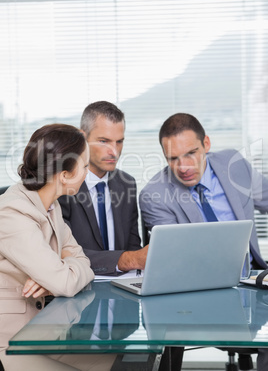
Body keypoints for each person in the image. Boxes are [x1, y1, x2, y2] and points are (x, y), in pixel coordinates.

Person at [139, 112, 268, 371]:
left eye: (191, 153)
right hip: (199, 295)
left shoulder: (235, 164)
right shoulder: (154, 195)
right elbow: (177, 261)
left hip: (255, 282)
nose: (183, 166)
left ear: (206, 144)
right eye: (173, 158)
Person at [0, 124, 116, 371]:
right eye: (84, 166)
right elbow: (65, 282)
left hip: (41, 334)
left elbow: (82, 261)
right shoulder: (12, 213)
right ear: (64, 175)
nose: (87, 172)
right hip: (9, 343)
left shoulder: (52, 205)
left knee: (116, 362)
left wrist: (54, 272)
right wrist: (58, 273)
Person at [59, 101, 148, 275]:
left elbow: (133, 246)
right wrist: (126, 260)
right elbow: (62, 253)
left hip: (123, 287)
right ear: (82, 138)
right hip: (78, 286)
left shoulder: (126, 183)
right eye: (103, 141)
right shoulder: (63, 186)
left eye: (119, 142)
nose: (114, 152)